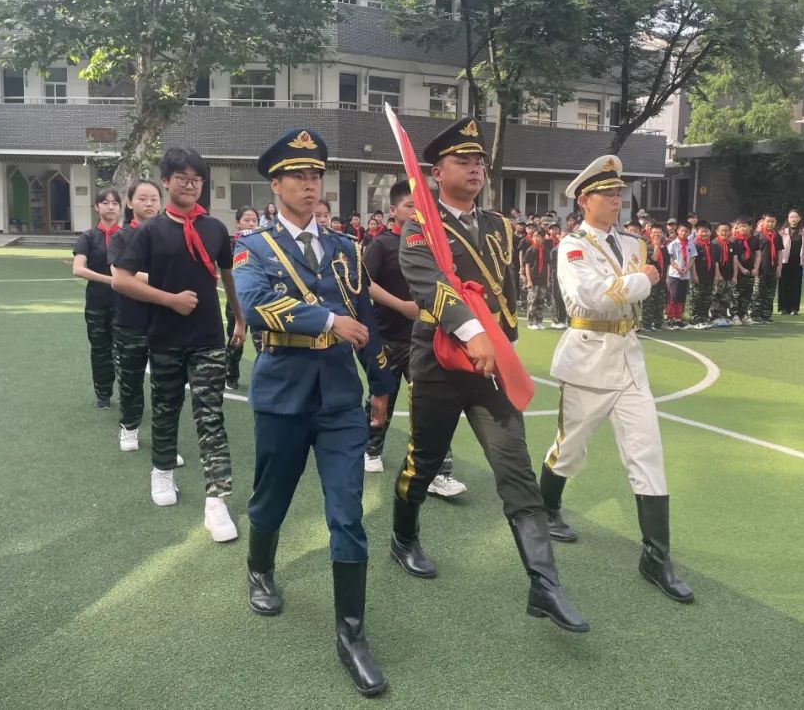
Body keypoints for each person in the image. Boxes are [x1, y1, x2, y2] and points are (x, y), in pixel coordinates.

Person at [391, 116, 588, 634]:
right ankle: (403, 537)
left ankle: (544, 583)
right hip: (438, 361)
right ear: (437, 171)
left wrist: (499, 338)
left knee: (515, 467)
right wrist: (471, 328)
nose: (475, 168)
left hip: (490, 364)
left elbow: (504, 288)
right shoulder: (420, 224)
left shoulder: (500, 224)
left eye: (479, 161)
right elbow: (427, 284)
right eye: (463, 161)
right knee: (425, 461)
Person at [233, 128, 395, 697]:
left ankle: (351, 635)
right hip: (283, 394)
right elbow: (256, 307)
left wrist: (379, 383)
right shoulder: (253, 247)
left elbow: (366, 322)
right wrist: (327, 321)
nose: (310, 184)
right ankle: (259, 569)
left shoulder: (348, 249)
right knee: (270, 497)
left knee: (347, 513)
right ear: (275, 184)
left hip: (338, 399)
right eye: (299, 175)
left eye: (316, 175)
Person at [539, 155, 694, 604]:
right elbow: (588, 299)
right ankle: (547, 507)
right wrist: (641, 281)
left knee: (647, 452)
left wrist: (635, 279)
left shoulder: (631, 244)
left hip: (628, 358)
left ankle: (656, 556)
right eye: (607, 193)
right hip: (588, 359)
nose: (616, 198)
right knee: (569, 448)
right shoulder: (572, 247)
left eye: (618, 191)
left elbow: (623, 292)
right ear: (585, 200)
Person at [112, 147, 246, 542]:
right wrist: (169, 300)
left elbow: (229, 275)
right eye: (182, 177)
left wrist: (239, 317)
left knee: (211, 416)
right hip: (166, 338)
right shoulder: (149, 231)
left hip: (208, 339)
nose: (190, 185)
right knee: (167, 409)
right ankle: (162, 471)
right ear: (166, 181)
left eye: (197, 179)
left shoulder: (216, 229)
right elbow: (121, 279)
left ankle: (216, 499)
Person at [361, 181, 467, 495]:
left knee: (432, 405)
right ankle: (371, 449)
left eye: (423, 207)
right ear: (393, 211)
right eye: (410, 206)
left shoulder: (434, 245)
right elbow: (363, 283)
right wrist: (401, 306)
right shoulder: (381, 245)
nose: (417, 212)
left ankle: (439, 471)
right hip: (389, 338)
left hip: (426, 340)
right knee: (384, 398)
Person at [107, 180, 162, 451]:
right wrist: (164, 281)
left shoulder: (167, 234)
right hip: (130, 321)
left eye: (154, 198)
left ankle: (165, 441)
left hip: (164, 321)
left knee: (166, 385)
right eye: (142, 198)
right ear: (130, 203)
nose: (148, 203)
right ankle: (129, 428)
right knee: (131, 378)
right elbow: (121, 275)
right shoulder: (121, 236)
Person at [72, 188, 122, 408]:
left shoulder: (129, 235)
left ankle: (129, 395)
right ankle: (103, 394)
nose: (110, 207)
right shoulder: (88, 237)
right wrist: (110, 280)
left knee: (124, 351)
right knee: (100, 350)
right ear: (96, 207)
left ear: (121, 207)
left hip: (125, 304)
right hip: (97, 304)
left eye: (114, 203)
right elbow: (78, 269)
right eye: (105, 203)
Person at [223, 206, 262, 390]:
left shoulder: (264, 243)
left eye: (254, 220)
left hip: (259, 299)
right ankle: (231, 375)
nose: (251, 223)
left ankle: (264, 378)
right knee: (236, 339)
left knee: (262, 341)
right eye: (247, 220)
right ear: (238, 223)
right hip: (236, 300)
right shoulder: (231, 243)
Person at [750, 213, 783, 325]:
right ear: (762, 221)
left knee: (769, 294)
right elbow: (754, 253)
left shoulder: (777, 236)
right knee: (758, 293)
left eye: (772, 221)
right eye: (768, 221)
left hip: (772, 269)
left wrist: (779, 267)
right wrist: (755, 267)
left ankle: (766, 315)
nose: (770, 223)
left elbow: (779, 253)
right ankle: (755, 315)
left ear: (776, 222)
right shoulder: (757, 235)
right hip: (761, 269)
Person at [778, 209, 804, 315]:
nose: (793, 219)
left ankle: (794, 308)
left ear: (800, 218)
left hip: (797, 262)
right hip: (784, 262)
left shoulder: (803, 232)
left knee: (796, 285)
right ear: (788, 219)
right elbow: (779, 248)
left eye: (796, 217)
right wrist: (779, 262)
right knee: (783, 285)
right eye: (791, 217)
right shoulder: (783, 231)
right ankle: (782, 308)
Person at [665, 221, 695, 329]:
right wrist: (677, 268)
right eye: (682, 230)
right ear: (678, 231)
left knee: (681, 297)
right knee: (673, 296)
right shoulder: (673, 244)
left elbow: (692, 257)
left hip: (685, 274)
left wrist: (687, 268)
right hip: (674, 274)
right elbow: (670, 258)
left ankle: (678, 318)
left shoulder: (690, 244)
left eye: (687, 231)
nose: (684, 233)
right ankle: (670, 318)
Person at [688, 221, 716, 329]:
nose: (705, 234)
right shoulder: (694, 244)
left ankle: (704, 318)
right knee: (696, 298)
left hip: (709, 276)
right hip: (698, 276)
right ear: (697, 232)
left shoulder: (712, 245)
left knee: (707, 298)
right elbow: (692, 261)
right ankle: (695, 319)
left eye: (707, 231)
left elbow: (715, 261)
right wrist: (694, 275)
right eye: (702, 231)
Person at [641, 228, 669, 330]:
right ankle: (647, 324)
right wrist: (656, 245)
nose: (657, 234)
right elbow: (654, 258)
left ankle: (658, 324)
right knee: (649, 302)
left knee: (660, 302)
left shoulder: (664, 248)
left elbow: (667, 264)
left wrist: (667, 278)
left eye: (659, 233)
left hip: (661, 279)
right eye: (654, 233)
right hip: (651, 280)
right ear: (650, 234)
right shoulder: (648, 246)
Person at [523, 229, 551, 329]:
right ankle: (531, 322)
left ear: (543, 238)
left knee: (540, 301)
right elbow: (527, 266)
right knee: (532, 301)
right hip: (533, 279)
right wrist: (529, 280)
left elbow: (547, 266)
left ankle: (539, 321)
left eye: (538, 236)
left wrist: (547, 280)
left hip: (542, 279)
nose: (536, 238)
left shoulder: (546, 251)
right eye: (534, 236)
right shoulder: (530, 250)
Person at [711, 222, 736, 326]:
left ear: (730, 232)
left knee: (726, 296)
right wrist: (717, 274)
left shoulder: (731, 244)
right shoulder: (714, 244)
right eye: (721, 230)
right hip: (718, 275)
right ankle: (715, 316)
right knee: (716, 295)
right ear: (717, 231)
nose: (724, 232)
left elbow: (735, 260)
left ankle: (723, 315)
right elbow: (715, 260)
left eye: (726, 230)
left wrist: (735, 275)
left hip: (728, 274)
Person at [731, 220, 755, 326]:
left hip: (751, 272)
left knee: (747, 294)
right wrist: (742, 269)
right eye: (740, 227)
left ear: (750, 227)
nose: (742, 229)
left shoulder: (754, 239)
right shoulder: (735, 241)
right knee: (736, 294)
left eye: (745, 226)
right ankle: (734, 314)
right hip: (739, 272)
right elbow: (734, 258)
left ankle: (743, 314)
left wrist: (756, 268)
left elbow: (758, 254)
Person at [548, 223, 567, 329]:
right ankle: (556, 320)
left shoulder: (571, 250)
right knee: (556, 298)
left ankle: (563, 319)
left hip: (568, 278)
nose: (565, 238)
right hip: (557, 276)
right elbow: (552, 267)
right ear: (559, 237)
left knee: (565, 298)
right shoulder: (555, 251)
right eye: (563, 236)